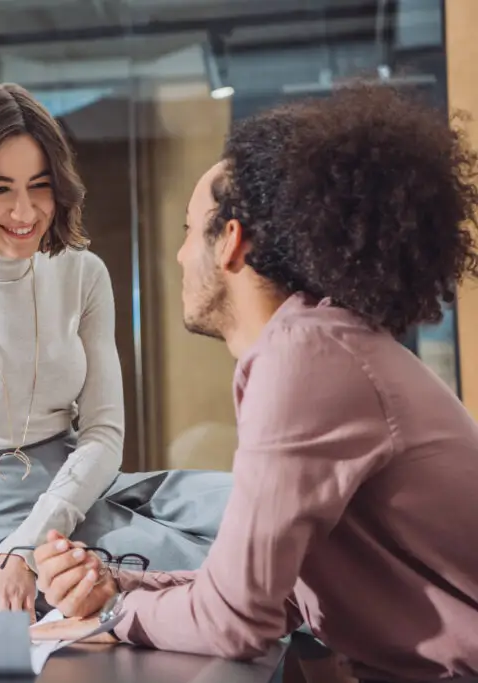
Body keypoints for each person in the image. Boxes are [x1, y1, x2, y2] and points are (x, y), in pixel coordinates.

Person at [30, 82, 478, 682]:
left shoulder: (307, 359)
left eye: (190, 229)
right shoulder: (319, 348)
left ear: (231, 242)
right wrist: (117, 586)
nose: (180, 255)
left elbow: (236, 620)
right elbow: (278, 591)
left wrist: (112, 614)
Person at [0, 82, 232, 616]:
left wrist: (35, 538)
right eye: (0, 189)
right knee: (227, 574)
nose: (25, 210)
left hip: (86, 491)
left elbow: (103, 434)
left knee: (254, 512)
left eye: (40, 186)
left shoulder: (82, 272)